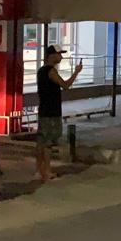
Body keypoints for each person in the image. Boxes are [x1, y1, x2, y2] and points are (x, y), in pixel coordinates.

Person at [36, 45, 81, 183]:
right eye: (59, 54)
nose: (61, 57)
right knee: (48, 143)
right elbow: (65, 85)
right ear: (51, 55)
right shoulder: (50, 71)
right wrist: (76, 72)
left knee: (42, 142)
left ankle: (40, 170)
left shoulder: (41, 71)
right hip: (51, 111)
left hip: (44, 110)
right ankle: (47, 171)